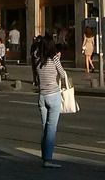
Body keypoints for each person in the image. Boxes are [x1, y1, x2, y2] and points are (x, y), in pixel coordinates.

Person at [31, 34, 68, 168]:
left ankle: (44, 156)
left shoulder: (37, 60)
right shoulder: (54, 59)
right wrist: (58, 59)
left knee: (45, 128)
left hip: (42, 97)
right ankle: (47, 159)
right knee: (51, 129)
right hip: (54, 95)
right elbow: (63, 74)